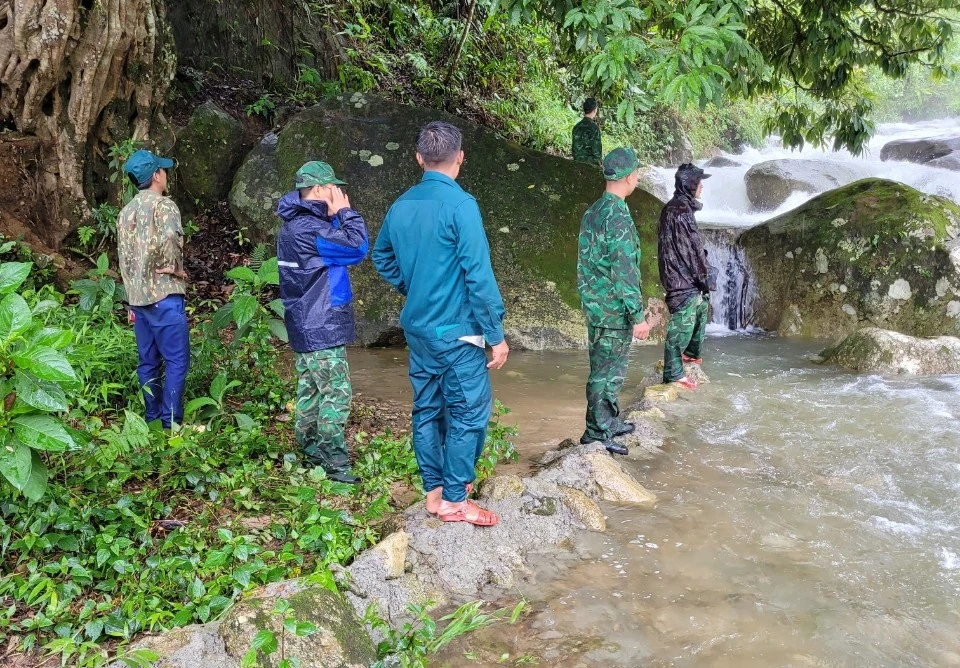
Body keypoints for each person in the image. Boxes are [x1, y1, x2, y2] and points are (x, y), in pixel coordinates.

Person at [373, 121, 507, 527]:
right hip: (457, 332)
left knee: (428, 409)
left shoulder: (401, 205)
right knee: (470, 411)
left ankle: (434, 491)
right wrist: (496, 335)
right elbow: (478, 276)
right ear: (460, 157)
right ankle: (454, 500)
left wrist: (412, 286)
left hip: (418, 330)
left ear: (419, 158)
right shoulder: (461, 206)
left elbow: (381, 256)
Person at [276, 161, 369, 484]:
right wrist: (345, 212)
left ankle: (310, 452)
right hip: (321, 325)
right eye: (333, 187)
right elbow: (357, 247)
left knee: (311, 392)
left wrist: (332, 216)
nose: (339, 192)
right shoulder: (311, 230)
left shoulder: (293, 226)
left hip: (303, 323)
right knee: (336, 395)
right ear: (318, 189)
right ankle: (335, 463)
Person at [577, 147, 652, 456]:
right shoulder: (617, 215)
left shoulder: (595, 210)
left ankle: (608, 421)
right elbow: (624, 270)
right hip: (612, 309)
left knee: (610, 368)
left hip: (598, 305)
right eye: (637, 173)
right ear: (628, 177)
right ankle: (596, 434)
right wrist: (638, 315)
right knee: (605, 371)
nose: (638, 178)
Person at [118, 149, 190, 429]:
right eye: (163, 170)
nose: (165, 175)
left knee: (148, 362)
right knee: (176, 361)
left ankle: (152, 420)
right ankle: (171, 423)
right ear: (156, 175)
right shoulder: (164, 205)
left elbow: (124, 257)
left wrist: (131, 295)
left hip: (138, 300)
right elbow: (171, 235)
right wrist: (175, 267)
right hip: (164, 296)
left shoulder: (126, 212)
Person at [657, 163, 715, 389]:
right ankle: (673, 373)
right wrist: (704, 278)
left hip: (681, 276)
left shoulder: (678, 208)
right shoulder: (681, 212)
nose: (702, 186)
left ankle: (691, 354)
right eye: (699, 182)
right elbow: (692, 251)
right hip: (681, 279)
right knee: (682, 323)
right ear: (689, 184)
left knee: (701, 306)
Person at [572, 97, 603, 166]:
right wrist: (600, 165)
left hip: (576, 163)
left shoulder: (576, 127)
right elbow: (597, 153)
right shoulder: (594, 128)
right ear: (595, 110)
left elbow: (574, 150)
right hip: (590, 165)